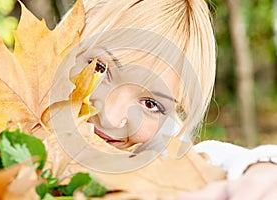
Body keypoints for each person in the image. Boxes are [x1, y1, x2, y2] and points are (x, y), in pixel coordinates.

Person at [60, 0, 277, 199]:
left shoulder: (150, 150)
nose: (111, 119)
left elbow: (200, 158)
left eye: (150, 104)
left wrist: (260, 168)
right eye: (99, 69)